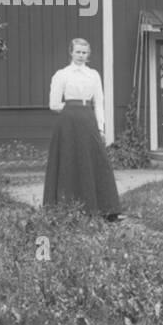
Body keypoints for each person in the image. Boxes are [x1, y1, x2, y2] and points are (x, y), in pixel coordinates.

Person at [43, 37, 123, 221]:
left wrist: (101, 128)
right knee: (69, 161)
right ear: (71, 52)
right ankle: (67, 208)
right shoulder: (62, 75)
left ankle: (105, 209)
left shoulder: (93, 75)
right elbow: (54, 104)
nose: (80, 56)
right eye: (77, 52)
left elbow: (100, 103)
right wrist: (73, 109)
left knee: (96, 160)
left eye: (84, 52)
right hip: (68, 121)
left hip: (88, 119)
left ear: (88, 54)